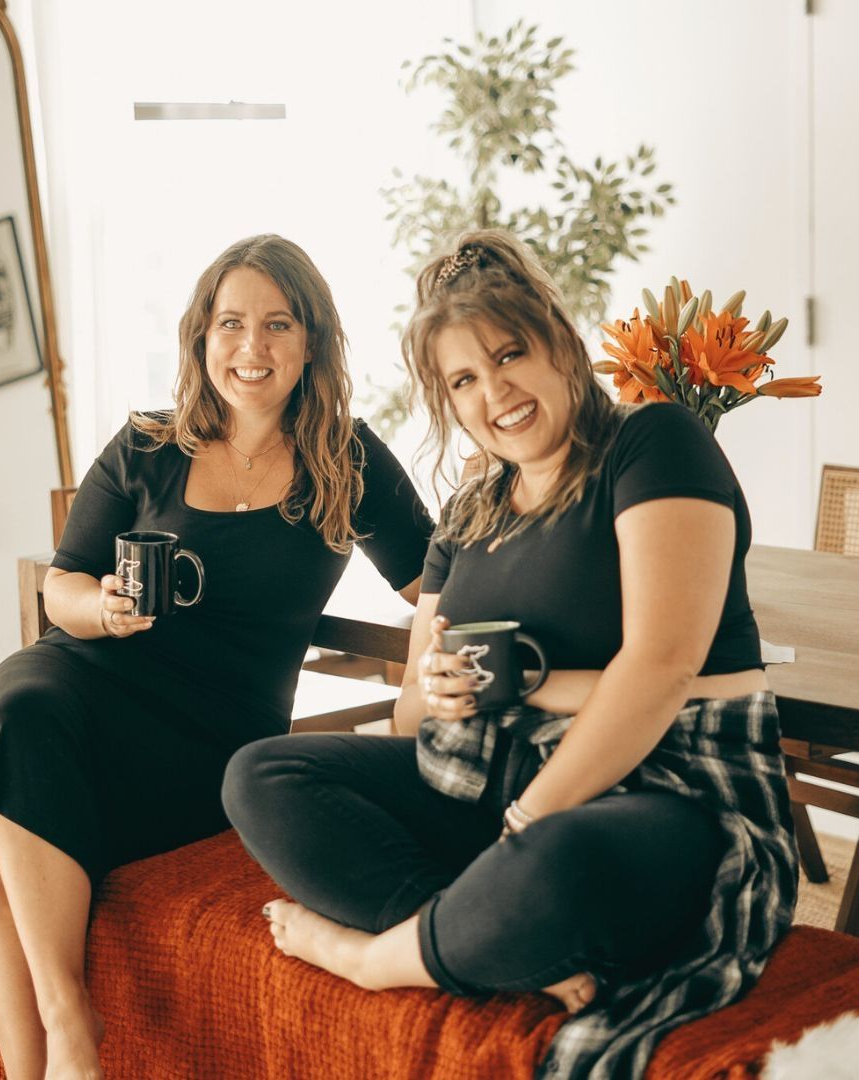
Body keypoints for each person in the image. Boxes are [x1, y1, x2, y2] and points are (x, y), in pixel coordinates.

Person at [222, 231, 798, 1079]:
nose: (494, 392)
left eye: (508, 355)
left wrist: (527, 813)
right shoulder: (469, 512)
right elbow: (413, 713)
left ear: (559, 343)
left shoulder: (653, 443)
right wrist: (442, 690)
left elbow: (665, 666)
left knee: (554, 861)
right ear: (448, 401)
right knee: (261, 775)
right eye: (463, 380)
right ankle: (490, 936)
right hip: (486, 779)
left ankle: (380, 958)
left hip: (666, 794)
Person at [0, 234, 433, 1080]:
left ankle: (66, 1040)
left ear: (312, 342)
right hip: (85, 687)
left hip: (214, 744)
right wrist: (102, 610)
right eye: (231, 324)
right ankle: (68, 1034)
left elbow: (440, 579)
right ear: (201, 337)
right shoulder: (146, 444)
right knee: (18, 708)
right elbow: (62, 584)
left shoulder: (347, 458)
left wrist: (423, 693)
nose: (252, 346)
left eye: (278, 324)